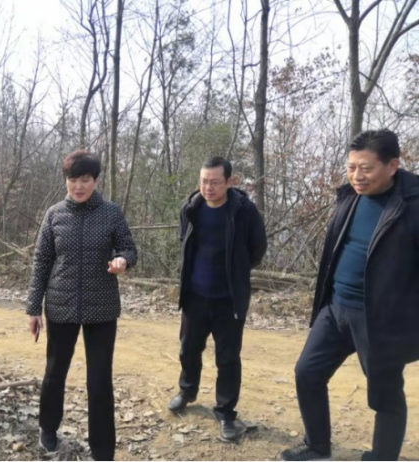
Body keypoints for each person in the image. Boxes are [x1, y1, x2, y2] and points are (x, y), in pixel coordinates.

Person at [281, 129, 419, 462]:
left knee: (385, 393)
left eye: (366, 168)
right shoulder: (349, 197)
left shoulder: (412, 206)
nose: (357, 176)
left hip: (382, 319)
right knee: (307, 373)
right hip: (336, 307)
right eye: (351, 167)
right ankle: (318, 447)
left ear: (393, 165)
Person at [26, 151, 138, 461]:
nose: (78, 186)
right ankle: (48, 428)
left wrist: (122, 261)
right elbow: (41, 261)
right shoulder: (54, 215)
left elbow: (129, 248)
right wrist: (34, 307)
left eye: (85, 179)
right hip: (60, 305)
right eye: (73, 179)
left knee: (99, 379)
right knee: (54, 372)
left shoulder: (111, 213)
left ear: (95, 180)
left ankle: (103, 450)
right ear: (66, 180)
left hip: (102, 307)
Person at [168, 157, 267, 443]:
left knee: (228, 358)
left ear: (229, 182)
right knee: (188, 349)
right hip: (195, 295)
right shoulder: (191, 208)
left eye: (214, 182)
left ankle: (225, 412)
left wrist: (237, 269)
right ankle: (187, 390)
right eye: (203, 181)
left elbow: (257, 248)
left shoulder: (244, 211)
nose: (208, 188)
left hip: (229, 299)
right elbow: (184, 241)